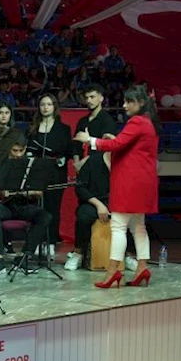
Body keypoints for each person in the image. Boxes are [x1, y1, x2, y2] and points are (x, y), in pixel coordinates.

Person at [74, 89, 159, 288]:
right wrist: (111, 140)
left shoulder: (137, 122)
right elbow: (127, 146)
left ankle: (112, 272)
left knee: (119, 226)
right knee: (138, 226)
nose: (124, 105)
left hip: (130, 182)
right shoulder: (149, 122)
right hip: (144, 181)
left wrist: (90, 140)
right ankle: (142, 268)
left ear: (140, 102)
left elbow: (118, 144)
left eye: (129, 102)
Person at [0, 134, 52, 276]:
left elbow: (39, 193)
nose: (18, 154)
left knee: (45, 216)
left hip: (24, 206)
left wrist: (32, 193)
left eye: (21, 151)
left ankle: (24, 257)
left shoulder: (31, 165)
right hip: (4, 206)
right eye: (14, 150)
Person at [27, 93, 72, 256]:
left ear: (54, 107)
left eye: (48, 104)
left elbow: (68, 151)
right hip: (37, 171)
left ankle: (51, 241)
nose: (45, 107)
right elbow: (28, 148)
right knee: (37, 207)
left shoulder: (63, 129)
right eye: (42, 104)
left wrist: (62, 159)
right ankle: (37, 241)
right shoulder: (32, 128)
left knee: (53, 207)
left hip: (56, 172)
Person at [65, 151, 111, 271]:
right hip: (93, 201)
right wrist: (99, 205)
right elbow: (80, 187)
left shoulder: (126, 163)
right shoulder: (93, 161)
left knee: (132, 215)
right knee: (84, 216)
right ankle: (78, 253)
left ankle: (129, 255)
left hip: (117, 202)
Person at [72, 84, 117, 171]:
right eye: (86, 98)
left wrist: (84, 162)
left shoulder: (107, 120)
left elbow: (107, 147)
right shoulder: (82, 121)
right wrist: (77, 164)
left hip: (99, 168)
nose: (88, 100)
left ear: (101, 98)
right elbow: (75, 145)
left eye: (92, 97)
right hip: (82, 169)